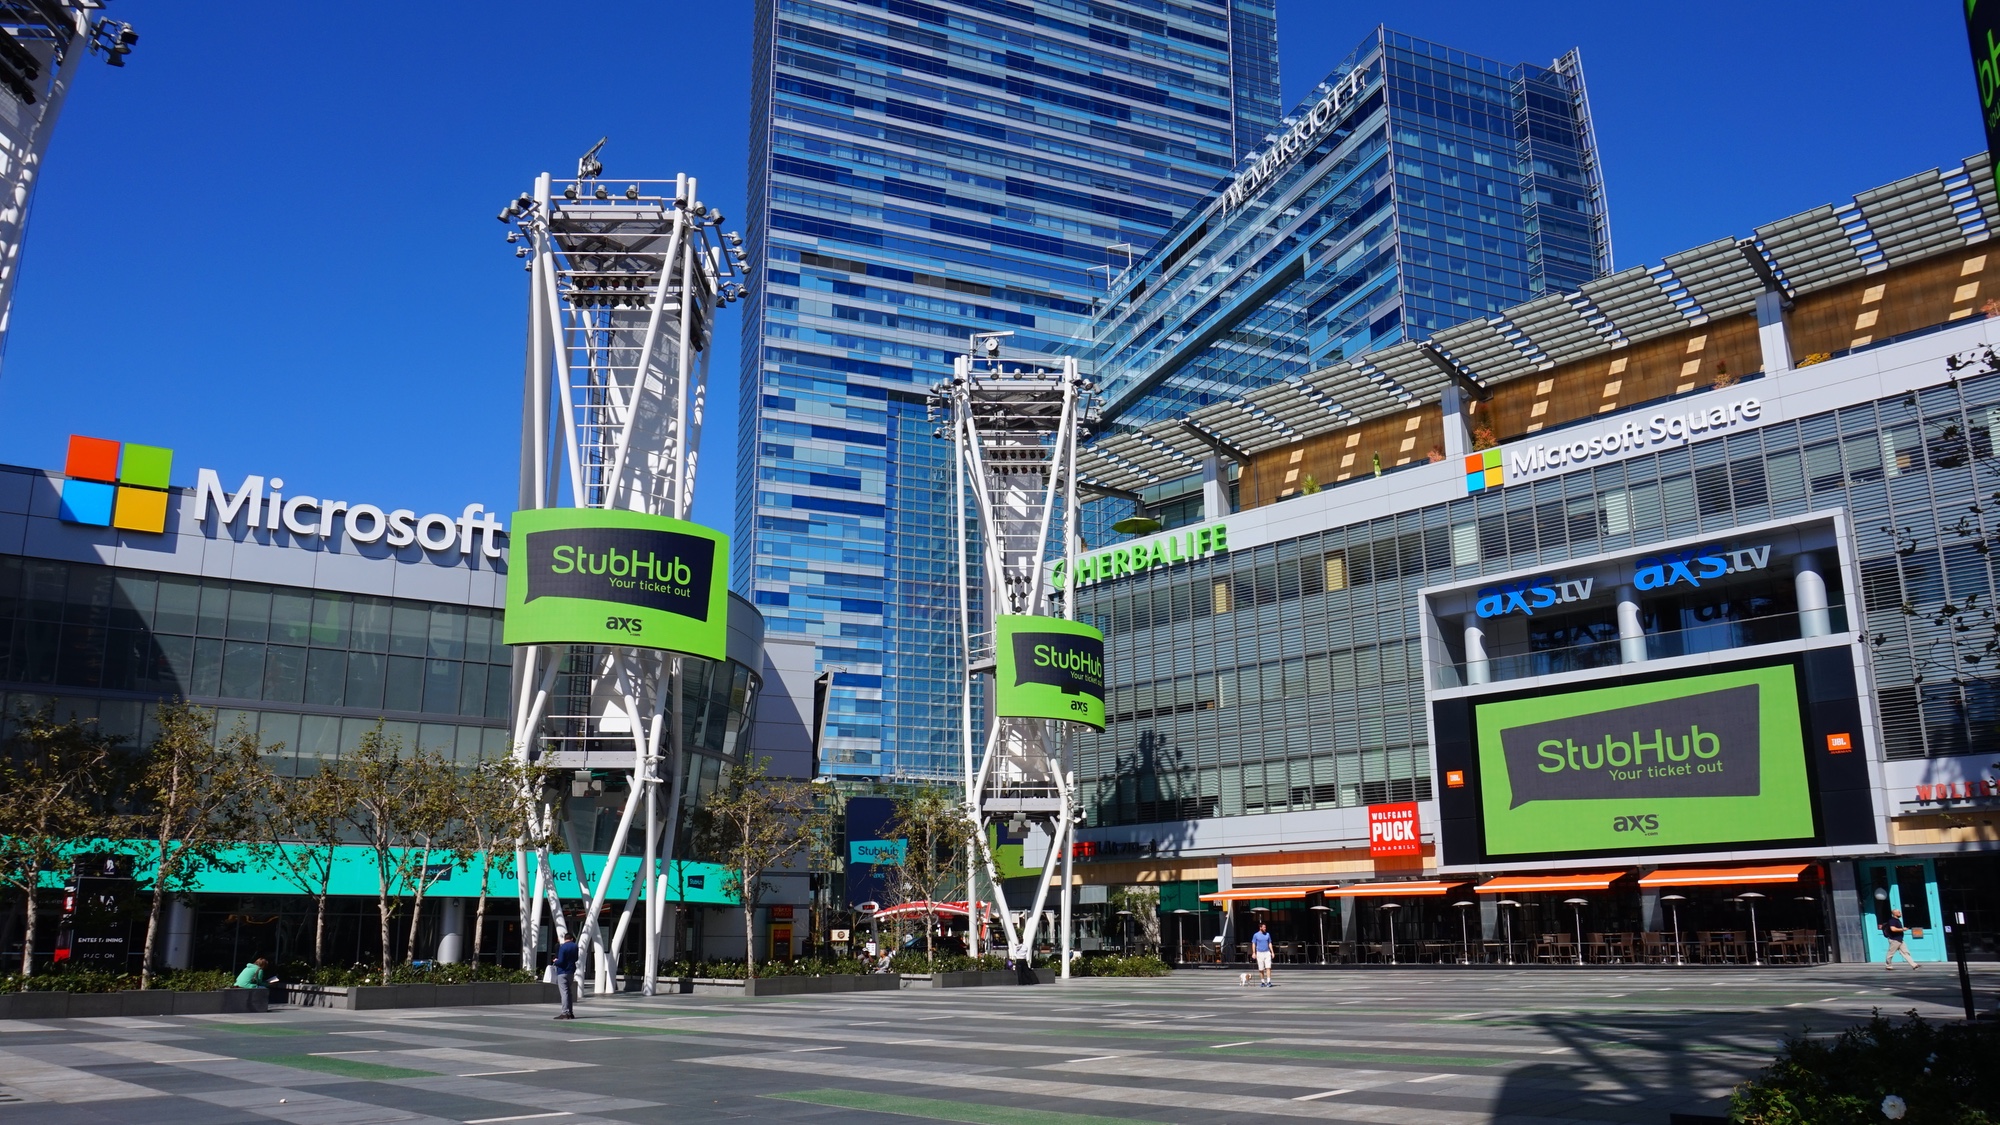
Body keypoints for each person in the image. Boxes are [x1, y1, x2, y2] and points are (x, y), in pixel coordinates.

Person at [552, 931, 580, 1019]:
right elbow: (576, 958)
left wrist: (555, 961)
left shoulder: (563, 947)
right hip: (571, 972)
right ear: (572, 939)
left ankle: (565, 1013)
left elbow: (561, 961)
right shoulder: (575, 946)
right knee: (569, 993)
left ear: (565, 939)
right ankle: (570, 1012)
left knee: (564, 993)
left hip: (562, 972)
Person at [1251, 922, 1275, 987]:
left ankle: (1269, 981)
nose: (1265, 928)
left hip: (1267, 952)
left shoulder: (1268, 934)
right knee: (1261, 969)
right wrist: (1253, 952)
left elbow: (1270, 943)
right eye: (1264, 927)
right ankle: (1262, 982)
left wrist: (1272, 952)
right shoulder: (1256, 935)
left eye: (1265, 927)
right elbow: (1253, 943)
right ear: (1260, 927)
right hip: (1259, 953)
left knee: (1268, 967)